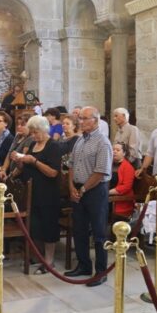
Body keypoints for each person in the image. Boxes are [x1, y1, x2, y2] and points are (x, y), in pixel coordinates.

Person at [65, 106, 113, 287]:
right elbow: (71, 164)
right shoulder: (80, 140)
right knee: (80, 230)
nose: (81, 122)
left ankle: (101, 271)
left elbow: (101, 172)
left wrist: (83, 189)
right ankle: (84, 265)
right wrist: (72, 187)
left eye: (85, 118)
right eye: (80, 118)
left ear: (96, 120)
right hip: (79, 189)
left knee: (99, 232)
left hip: (95, 191)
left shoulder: (103, 142)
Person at [13, 115, 61, 274]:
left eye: (36, 132)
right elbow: (24, 168)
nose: (33, 136)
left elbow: (53, 172)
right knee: (35, 226)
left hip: (48, 193)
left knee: (48, 227)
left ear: (44, 130)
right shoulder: (33, 144)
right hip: (31, 193)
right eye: (32, 132)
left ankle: (49, 261)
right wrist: (19, 161)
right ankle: (38, 255)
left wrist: (34, 161)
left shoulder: (53, 146)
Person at [0, 113, 34, 181]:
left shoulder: (30, 139)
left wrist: (10, 177)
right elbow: (9, 154)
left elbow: (23, 161)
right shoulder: (18, 136)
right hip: (11, 173)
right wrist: (3, 170)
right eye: (17, 124)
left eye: (22, 125)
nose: (18, 127)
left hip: (20, 176)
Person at [108, 142, 136, 219]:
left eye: (118, 150)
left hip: (119, 200)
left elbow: (126, 187)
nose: (114, 151)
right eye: (113, 149)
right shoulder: (108, 164)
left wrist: (108, 192)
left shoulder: (128, 167)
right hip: (106, 196)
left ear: (124, 153)